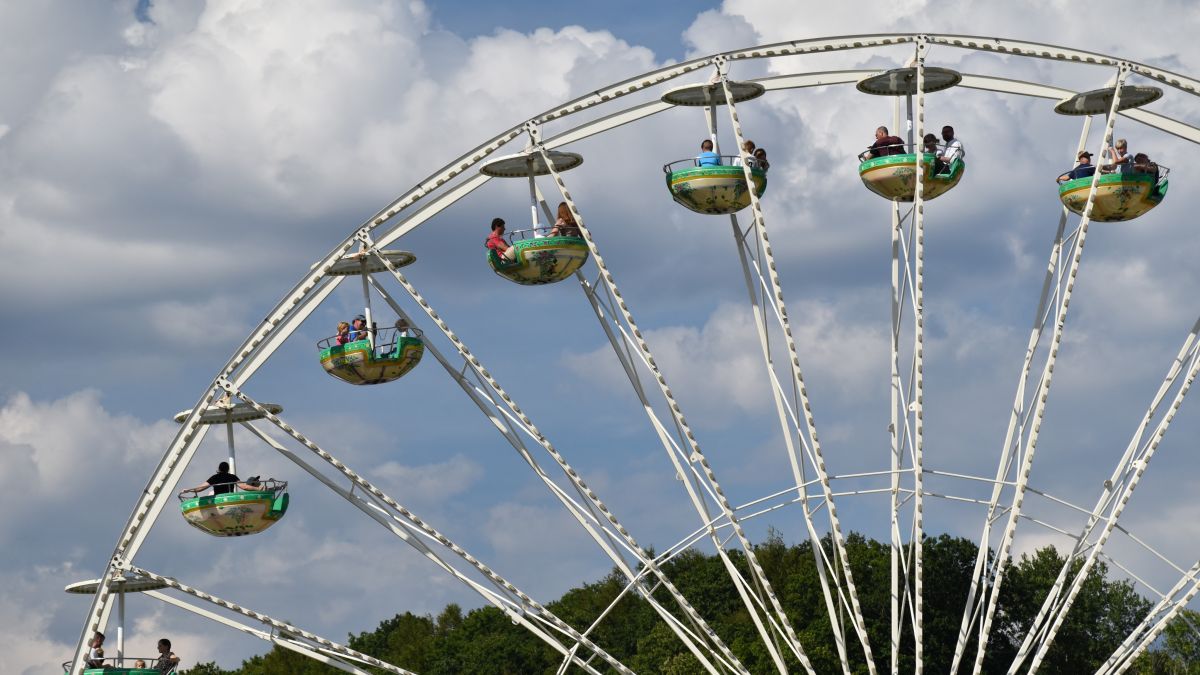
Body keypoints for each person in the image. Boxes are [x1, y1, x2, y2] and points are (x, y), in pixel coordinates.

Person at [185, 462, 260, 496]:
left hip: (218, 500)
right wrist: (259, 489)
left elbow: (201, 488)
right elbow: (244, 486)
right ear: (228, 469)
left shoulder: (214, 477)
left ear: (219, 469)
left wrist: (189, 490)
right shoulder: (232, 477)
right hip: (230, 499)